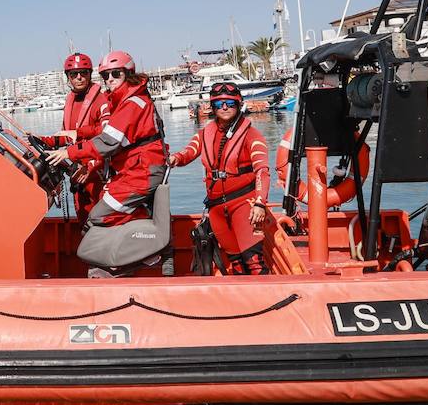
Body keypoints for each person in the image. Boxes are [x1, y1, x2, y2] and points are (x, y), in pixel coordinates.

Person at [46, 50, 167, 234]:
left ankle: (145, 248)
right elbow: (103, 130)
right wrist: (75, 134)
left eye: (116, 74)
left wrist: (69, 153)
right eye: (105, 75)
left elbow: (108, 140)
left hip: (141, 171)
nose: (110, 79)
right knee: (95, 217)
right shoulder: (122, 101)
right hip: (131, 170)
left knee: (98, 217)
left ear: (128, 73)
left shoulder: (131, 103)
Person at [167, 82, 271, 274]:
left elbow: (262, 171)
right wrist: (174, 158)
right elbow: (189, 152)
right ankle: (242, 302)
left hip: (243, 205)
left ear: (239, 104)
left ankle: (268, 300)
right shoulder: (205, 133)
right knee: (235, 262)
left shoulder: (251, 135)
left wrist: (259, 203)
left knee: (254, 261)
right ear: (212, 106)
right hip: (216, 208)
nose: (224, 107)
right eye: (219, 103)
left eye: (230, 103)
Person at [32, 52, 111, 223]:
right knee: (84, 221)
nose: (79, 78)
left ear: (90, 74)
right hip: (76, 171)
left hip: (97, 173)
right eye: (74, 74)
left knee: (101, 224)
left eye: (84, 73)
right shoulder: (70, 101)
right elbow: (67, 135)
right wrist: (43, 140)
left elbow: (108, 134)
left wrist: (91, 165)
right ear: (68, 77)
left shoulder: (101, 100)